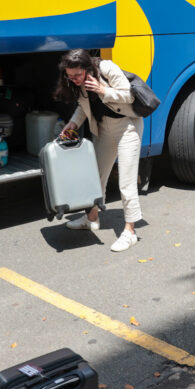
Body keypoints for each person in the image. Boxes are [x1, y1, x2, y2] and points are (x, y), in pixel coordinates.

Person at [56, 49, 144, 252]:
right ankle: (92, 217)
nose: (74, 79)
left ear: (87, 68)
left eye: (78, 75)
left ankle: (130, 231)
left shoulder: (107, 69)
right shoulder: (78, 81)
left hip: (127, 127)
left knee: (126, 181)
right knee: (97, 177)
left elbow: (128, 96)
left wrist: (102, 90)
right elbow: (83, 106)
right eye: (70, 76)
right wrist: (73, 123)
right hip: (104, 129)